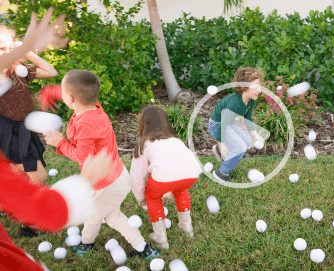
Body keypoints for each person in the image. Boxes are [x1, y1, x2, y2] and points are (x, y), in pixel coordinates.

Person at [39, 69, 159, 259]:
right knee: (113, 217)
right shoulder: (92, 107)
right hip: (117, 175)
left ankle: (86, 245)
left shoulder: (86, 125)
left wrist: (60, 143)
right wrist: (52, 93)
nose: (59, 94)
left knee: (93, 217)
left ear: (70, 99)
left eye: (61, 92)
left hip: (105, 184)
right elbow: (77, 94)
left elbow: (83, 156)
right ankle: (144, 248)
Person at [0, 6, 68, 237]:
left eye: (8, 46)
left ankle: (22, 210)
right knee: (36, 175)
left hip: (23, 128)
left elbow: (51, 71)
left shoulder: (19, 69)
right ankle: (38, 218)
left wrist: (26, 52)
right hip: (6, 129)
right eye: (1, 47)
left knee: (24, 172)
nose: (6, 51)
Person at [130, 106, 199, 249]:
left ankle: (161, 238)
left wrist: (140, 198)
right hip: (192, 174)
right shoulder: (175, 140)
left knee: (152, 196)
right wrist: (167, 191)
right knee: (180, 190)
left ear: (143, 125)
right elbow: (175, 168)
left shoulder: (144, 144)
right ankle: (187, 228)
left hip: (166, 178)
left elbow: (137, 177)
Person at [208, 67, 265, 182]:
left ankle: (221, 154)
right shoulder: (235, 103)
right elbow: (222, 125)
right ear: (244, 87)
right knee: (240, 147)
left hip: (229, 124)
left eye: (260, 86)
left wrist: (255, 135)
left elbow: (248, 118)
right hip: (217, 126)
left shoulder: (251, 100)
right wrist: (222, 144)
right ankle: (221, 173)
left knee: (248, 141)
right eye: (255, 87)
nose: (259, 90)